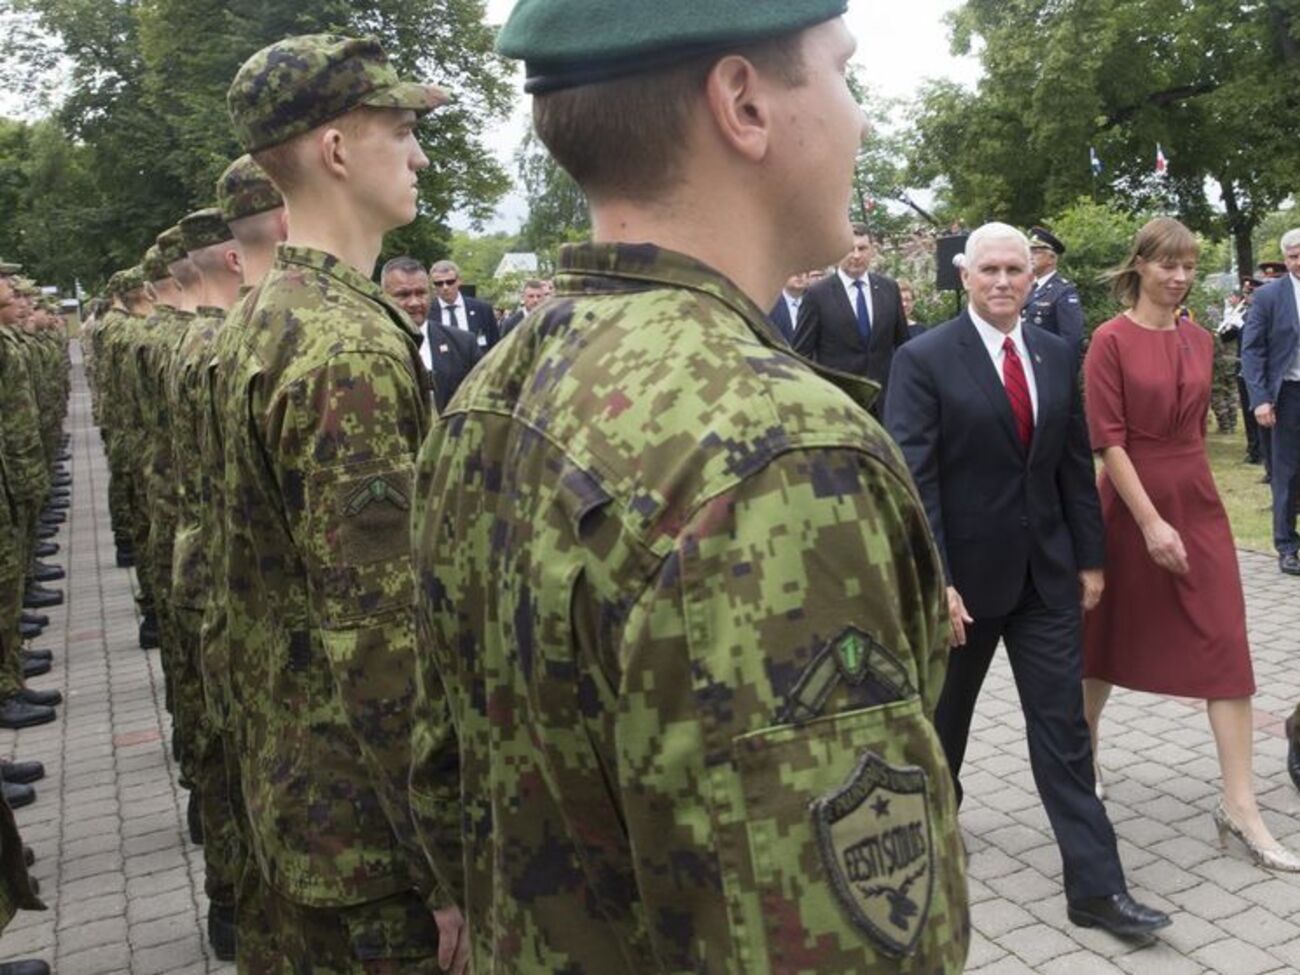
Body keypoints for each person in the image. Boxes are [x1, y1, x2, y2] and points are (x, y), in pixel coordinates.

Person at [409, 2, 970, 971]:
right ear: (742, 104)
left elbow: (445, 780)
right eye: (843, 74)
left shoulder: (492, 394)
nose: (860, 119)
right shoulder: (779, 457)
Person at [223, 34, 467, 972]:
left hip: (300, 793)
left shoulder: (265, 313)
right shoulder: (345, 351)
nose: (419, 154)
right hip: (370, 845)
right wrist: (443, 864)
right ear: (334, 151)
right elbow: (378, 632)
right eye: (401, 131)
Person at [885, 222, 1170, 938]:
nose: (1005, 280)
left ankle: (1097, 888)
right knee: (942, 732)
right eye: (991, 270)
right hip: (964, 591)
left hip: (1045, 579)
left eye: (1016, 267)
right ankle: (925, 853)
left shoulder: (1054, 350)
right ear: (965, 277)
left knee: (1064, 731)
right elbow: (914, 482)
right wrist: (937, 580)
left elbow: (1073, 463)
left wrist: (1091, 556)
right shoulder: (923, 359)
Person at [1082, 217, 1300, 872]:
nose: (1178, 277)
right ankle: (1083, 751)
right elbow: (1108, 441)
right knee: (1103, 639)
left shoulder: (1202, 339)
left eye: (1187, 266)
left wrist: (1178, 515)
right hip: (1127, 505)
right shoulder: (1108, 340)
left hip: (1198, 502)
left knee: (1225, 641)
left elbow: (1197, 433)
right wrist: (1149, 523)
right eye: (1167, 265)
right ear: (1141, 265)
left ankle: (1241, 805)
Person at [794, 223, 909, 414]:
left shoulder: (889, 289)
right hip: (839, 405)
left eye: (862, 249)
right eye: (850, 249)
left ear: (872, 251)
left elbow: (903, 346)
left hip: (885, 403)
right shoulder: (817, 294)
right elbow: (801, 354)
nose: (856, 255)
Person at [1242, 229, 1300, 577]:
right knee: (1287, 472)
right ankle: (1287, 546)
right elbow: (1252, 350)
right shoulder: (1269, 296)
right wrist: (1260, 399)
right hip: (1288, 394)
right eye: (1292, 256)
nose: (1298, 261)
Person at [381, 256, 480, 411]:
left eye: (421, 293)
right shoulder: (370, 346)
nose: (414, 302)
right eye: (403, 295)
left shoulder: (463, 344)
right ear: (384, 297)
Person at [1022, 225, 1085, 365]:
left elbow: (1072, 340)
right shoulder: (1027, 287)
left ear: (1051, 258)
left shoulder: (1064, 291)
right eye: (1029, 251)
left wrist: (1064, 376)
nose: (1030, 256)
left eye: (1036, 252)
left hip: (1049, 368)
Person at [426, 259, 500, 351]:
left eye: (450, 282)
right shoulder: (427, 313)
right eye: (439, 283)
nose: (445, 287)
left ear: (459, 281)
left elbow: (495, 345)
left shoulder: (482, 309)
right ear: (433, 285)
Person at [767, 270, 807, 343]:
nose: (799, 275)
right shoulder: (770, 304)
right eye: (794, 269)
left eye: (803, 270)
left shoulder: (815, 303)